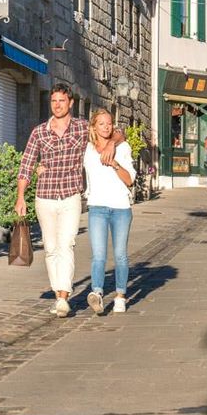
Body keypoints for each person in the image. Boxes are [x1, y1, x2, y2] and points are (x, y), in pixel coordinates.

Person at [16, 84, 121, 317]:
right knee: (51, 248)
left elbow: (114, 132)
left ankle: (63, 296)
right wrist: (20, 196)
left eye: (61, 101)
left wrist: (112, 143)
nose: (57, 105)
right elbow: (26, 164)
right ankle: (58, 294)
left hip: (71, 195)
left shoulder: (83, 128)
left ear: (70, 103)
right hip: (44, 196)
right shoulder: (39, 132)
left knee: (67, 245)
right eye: (53, 101)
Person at [83, 108, 136, 315]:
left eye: (109, 123)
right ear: (93, 127)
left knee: (120, 255)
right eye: (102, 124)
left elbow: (130, 179)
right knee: (98, 255)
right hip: (97, 206)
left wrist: (114, 163)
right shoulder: (87, 149)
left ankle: (120, 295)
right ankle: (97, 293)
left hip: (121, 207)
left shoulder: (123, 147)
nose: (107, 127)